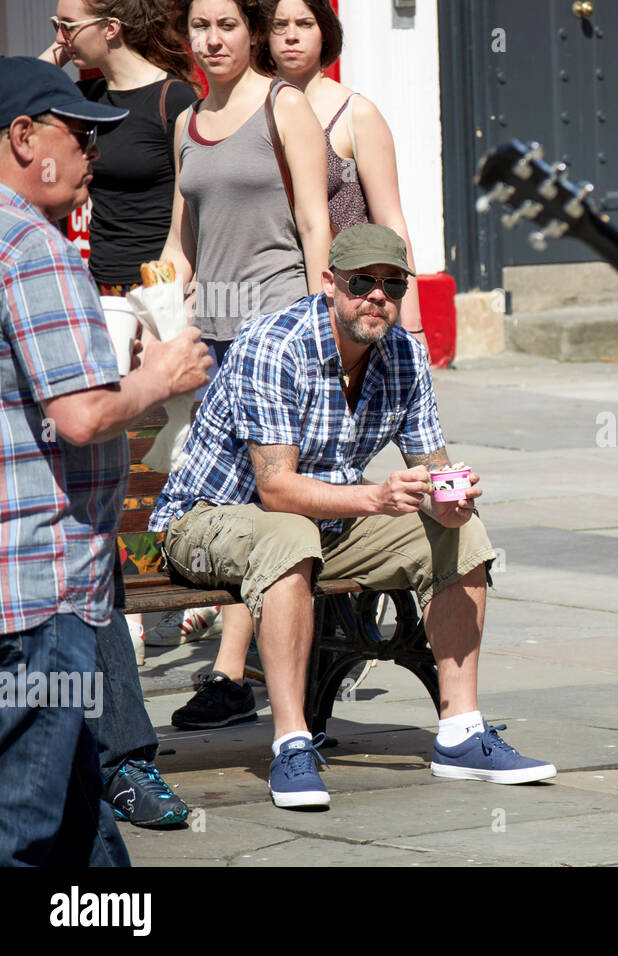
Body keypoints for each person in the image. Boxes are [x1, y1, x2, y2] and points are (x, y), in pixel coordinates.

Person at [148, 224, 555, 809]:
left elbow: (434, 466)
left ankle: (462, 734)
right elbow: (277, 490)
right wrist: (374, 497)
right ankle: (291, 744)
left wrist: (452, 496)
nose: (377, 296)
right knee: (288, 535)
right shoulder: (276, 344)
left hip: (322, 525)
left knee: (461, 535)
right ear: (329, 282)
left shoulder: (404, 353)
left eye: (392, 284)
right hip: (209, 521)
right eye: (362, 282)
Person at [0, 56, 212, 865]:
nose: (94, 153)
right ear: (24, 137)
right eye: (80, 134)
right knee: (27, 829)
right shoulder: (35, 248)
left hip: (27, 587)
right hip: (42, 587)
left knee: (83, 828)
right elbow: (83, 416)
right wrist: (157, 377)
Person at [157, 0, 331, 723]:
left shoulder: (283, 106)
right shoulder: (186, 125)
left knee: (269, 495)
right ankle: (251, 674)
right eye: (201, 26)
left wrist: (321, 325)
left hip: (278, 335)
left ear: (249, 32)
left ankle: (237, 676)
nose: (212, 38)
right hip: (216, 342)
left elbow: (317, 218)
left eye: (226, 24)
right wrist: (158, 310)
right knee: (228, 505)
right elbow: (180, 241)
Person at [260, 0, 425, 341]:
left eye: (305, 24)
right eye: (280, 25)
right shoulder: (253, 112)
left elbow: (391, 221)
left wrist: (413, 325)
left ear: (325, 33)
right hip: (272, 296)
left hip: (350, 300)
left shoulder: (355, 113)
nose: (291, 36)